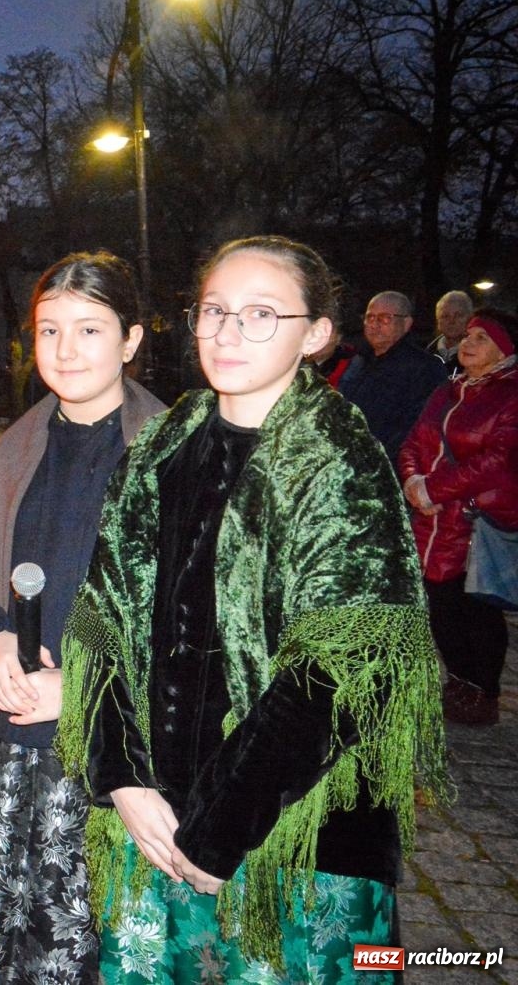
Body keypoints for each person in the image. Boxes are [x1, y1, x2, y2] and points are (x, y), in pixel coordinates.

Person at [56, 236, 448, 981]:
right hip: (151, 823)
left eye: (261, 313)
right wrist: (123, 781)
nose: (229, 331)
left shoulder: (340, 461)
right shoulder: (165, 443)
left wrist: (218, 827)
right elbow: (102, 617)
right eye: (214, 311)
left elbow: (341, 668)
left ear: (318, 334)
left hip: (290, 840)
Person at [0, 251, 161, 979]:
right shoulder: (9, 455)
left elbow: (196, 619)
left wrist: (90, 686)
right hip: (18, 744)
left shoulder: (171, 457)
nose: (66, 350)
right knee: (16, 934)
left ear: (131, 340)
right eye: (49, 330)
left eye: (90, 330)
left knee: (94, 943)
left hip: (117, 756)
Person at [399, 308, 518, 726]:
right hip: (432, 520)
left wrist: (433, 489)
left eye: (481, 338)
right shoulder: (448, 390)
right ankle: (460, 681)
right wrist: (414, 482)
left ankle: (483, 692)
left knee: (478, 610)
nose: (468, 343)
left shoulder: (510, 394)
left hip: (474, 522)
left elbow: (497, 460)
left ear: (504, 349)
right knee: (441, 605)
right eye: (467, 335)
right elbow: (415, 439)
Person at [337, 290, 447, 461]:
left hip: (389, 467)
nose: (374, 324)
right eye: (370, 318)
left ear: (407, 323)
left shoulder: (424, 368)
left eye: (385, 318)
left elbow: (417, 428)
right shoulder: (359, 362)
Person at [427, 289, 474, 370]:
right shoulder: (425, 355)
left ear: (470, 319)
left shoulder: (477, 356)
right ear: (438, 321)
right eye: (445, 316)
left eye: (458, 315)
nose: (451, 321)